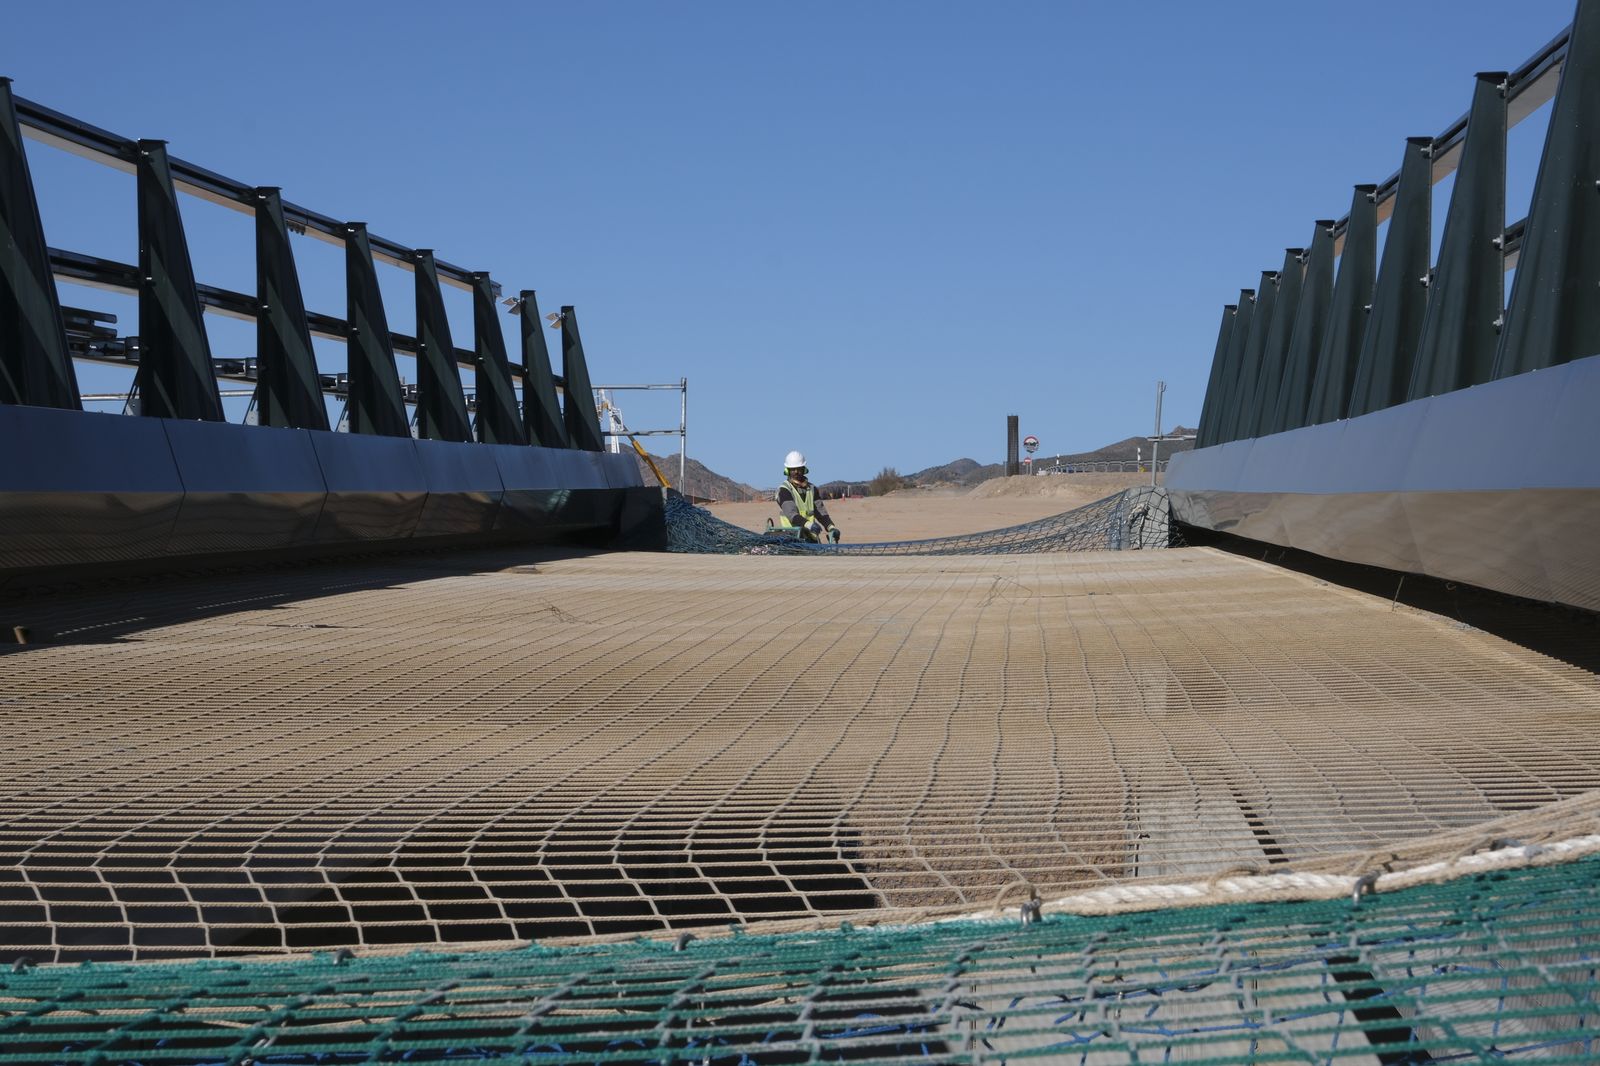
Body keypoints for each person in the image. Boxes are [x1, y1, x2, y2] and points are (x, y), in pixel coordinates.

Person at [775, 450, 840, 543]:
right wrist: (809, 525)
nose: (796, 472)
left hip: (810, 537)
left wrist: (831, 528)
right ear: (787, 471)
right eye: (793, 469)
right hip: (791, 538)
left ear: (804, 469)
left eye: (799, 469)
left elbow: (821, 513)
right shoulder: (784, 490)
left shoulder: (812, 489)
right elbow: (791, 515)